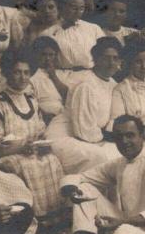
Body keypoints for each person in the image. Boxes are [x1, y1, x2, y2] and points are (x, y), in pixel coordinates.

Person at [0, 51, 66, 218]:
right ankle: (34, 217)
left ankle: (55, 215)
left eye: (26, 73)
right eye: (17, 72)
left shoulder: (32, 101)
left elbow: (40, 132)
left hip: (32, 152)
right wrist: (21, 147)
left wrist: (43, 145)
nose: (23, 77)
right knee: (26, 166)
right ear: (8, 73)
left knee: (52, 160)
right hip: (10, 155)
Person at [45, 37, 122, 174]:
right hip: (64, 137)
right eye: (106, 58)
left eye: (115, 58)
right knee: (100, 157)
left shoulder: (114, 85)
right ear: (96, 59)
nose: (111, 63)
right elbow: (83, 131)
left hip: (91, 137)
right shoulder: (85, 84)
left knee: (121, 157)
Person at [40, 0, 106, 70]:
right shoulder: (48, 34)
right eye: (74, 8)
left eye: (81, 8)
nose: (78, 12)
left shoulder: (94, 28)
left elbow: (104, 52)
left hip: (91, 75)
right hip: (63, 75)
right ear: (62, 7)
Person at [26, 36, 72, 123]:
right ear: (36, 54)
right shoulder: (32, 76)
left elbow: (68, 96)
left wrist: (53, 76)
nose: (47, 58)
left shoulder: (62, 74)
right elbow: (30, 102)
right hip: (43, 116)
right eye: (44, 54)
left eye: (51, 55)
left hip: (63, 115)